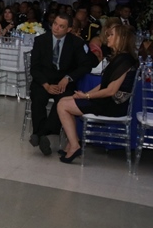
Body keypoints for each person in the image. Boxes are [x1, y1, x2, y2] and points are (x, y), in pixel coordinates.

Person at [57, 24, 138, 163]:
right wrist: (85, 95)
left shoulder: (125, 60)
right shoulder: (119, 58)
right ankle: (72, 143)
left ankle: (74, 145)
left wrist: (87, 96)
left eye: (111, 35)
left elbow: (111, 90)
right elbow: (103, 84)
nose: (108, 38)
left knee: (62, 106)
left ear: (122, 38)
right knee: (64, 101)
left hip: (113, 105)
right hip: (107, 101)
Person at [28, 13, 91, 157]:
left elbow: (86, 66)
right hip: (44, 80)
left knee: (63, 101)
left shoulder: (76, 43)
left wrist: (68, 78)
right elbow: (34, 68)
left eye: (61, 26)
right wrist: (46, 85)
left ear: (68, 29)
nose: (56, 28)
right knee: (38, 97)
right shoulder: (41, 40)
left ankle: (41, 134)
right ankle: (42, 134)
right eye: (55, 24)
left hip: (64, 82)